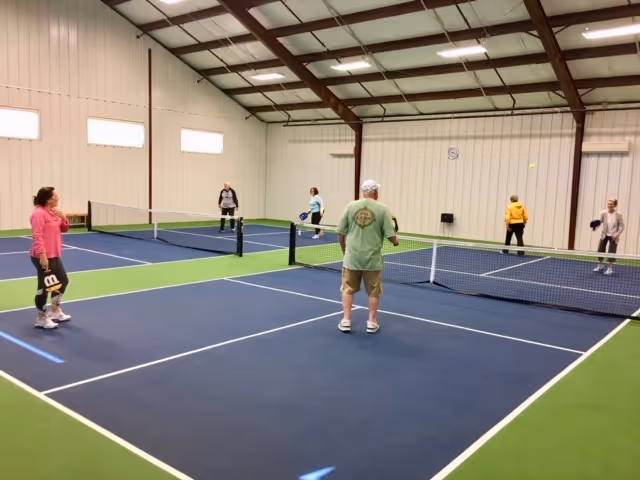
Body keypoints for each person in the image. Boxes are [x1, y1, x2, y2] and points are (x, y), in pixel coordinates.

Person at [336, 180, 399, 334]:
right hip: (373, 260)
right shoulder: (383, 209)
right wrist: (396, 241)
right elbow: (392, 237)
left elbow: (340, 233)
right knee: (374, 291)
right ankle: (371, 322)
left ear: (363, 192)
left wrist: (345, 251)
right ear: (375, 192)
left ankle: (346, 321)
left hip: (352, 258)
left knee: (347, 289)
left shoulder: (350, 206)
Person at [30, 187, 71, 329]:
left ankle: (54, 311)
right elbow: (37, 235)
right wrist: (42, 255)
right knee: (44, 287)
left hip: (55, 255)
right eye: (55, 195)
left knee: (63, 281)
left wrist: (63, 217)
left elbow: (64, 229)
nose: (58, 196)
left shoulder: (54, 213)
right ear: (48, 199)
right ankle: (41, 318)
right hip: (43, 257)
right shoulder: (39, 214)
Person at [593, 199, 625, 275]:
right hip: (604, 235)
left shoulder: (618, 214)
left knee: (612, 252)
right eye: (608, 204)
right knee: (600, 250)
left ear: (615, 205)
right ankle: (600, 265)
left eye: (611, 204)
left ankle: (610, 268)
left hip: (614, 236)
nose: (609, 206)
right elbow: (599, 223)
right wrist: (595, 228)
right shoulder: (603, 213)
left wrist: (617, 234)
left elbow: (622, 226)